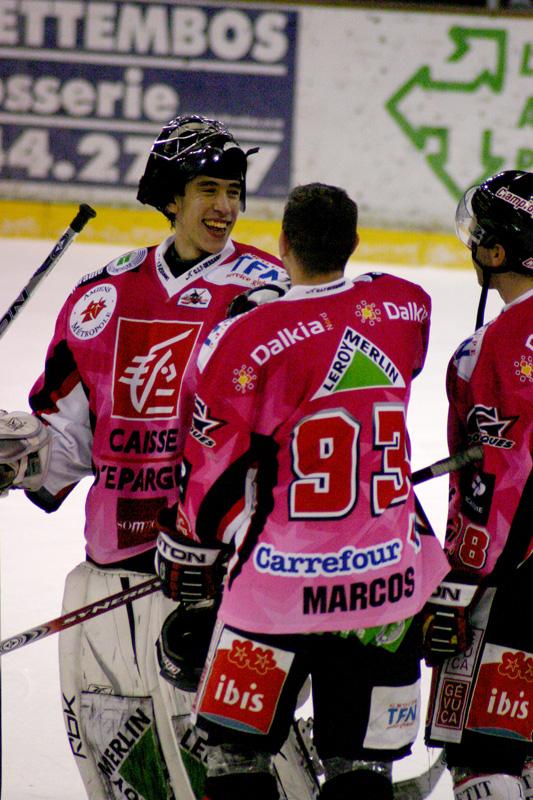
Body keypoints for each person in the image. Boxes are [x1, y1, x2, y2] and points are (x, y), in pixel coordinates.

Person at [0, 115, 298, 799]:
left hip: (215, 576)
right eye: (207, 189)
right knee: (126, 770)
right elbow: (71, 442)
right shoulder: (103, 297)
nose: (225, 206)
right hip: (113, 570)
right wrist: (18, 462)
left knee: (232, 772)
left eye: (234, 190)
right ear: (170, 195)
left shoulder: (268, 293)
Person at [154, 182, 451, 800]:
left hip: (274, 593)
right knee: (360, 770)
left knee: (235, 755)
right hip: (386, 589)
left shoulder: (243, 339)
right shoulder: (405, 307)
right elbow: (376, 321)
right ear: (356, 243)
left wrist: (191, 545)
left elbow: (209, 474)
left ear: (283, 244)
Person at [422, 170, 533, 800]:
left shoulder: (487, 351)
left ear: (495, 252)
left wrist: (459, 583)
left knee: (487, 760)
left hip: (516, 583)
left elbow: (496, 482)